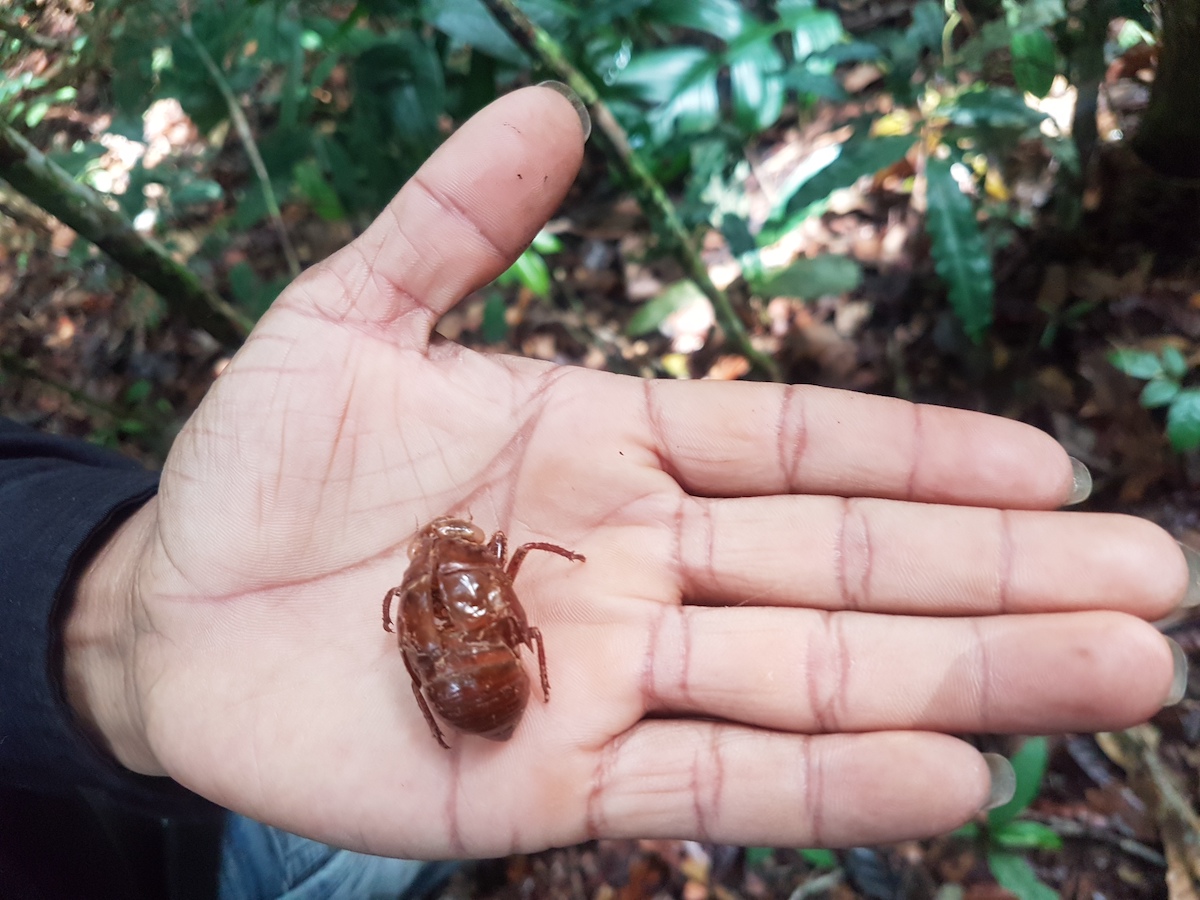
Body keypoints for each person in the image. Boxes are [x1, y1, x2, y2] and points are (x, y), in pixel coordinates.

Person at [0, 83, 1192, 898]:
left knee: (394, 830)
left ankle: (437, 846)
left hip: (217, 789)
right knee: (400, 829)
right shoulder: (467, 582)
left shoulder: (423, 598)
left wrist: (113, 624)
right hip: (265, 785)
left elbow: (426, 627)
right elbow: (469, 611)